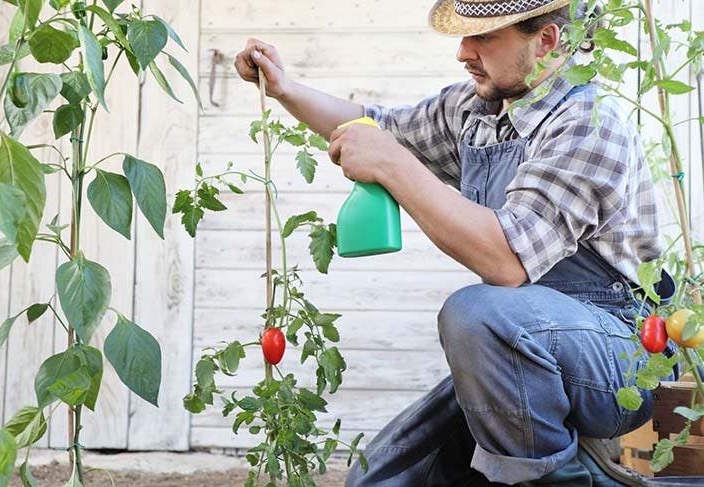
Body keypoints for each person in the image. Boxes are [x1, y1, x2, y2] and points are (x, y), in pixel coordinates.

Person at [234, 0, 676, 485]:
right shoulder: (477, 109)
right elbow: (372, 124)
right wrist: (284, 89)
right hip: (526, 344)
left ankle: (574, 479)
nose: (463, 52)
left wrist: (392, 165)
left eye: (484, 37)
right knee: (381, 476)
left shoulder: (590, 121)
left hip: (622, 358)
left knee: (477, 312)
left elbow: (506, 262)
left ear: (546, 41)